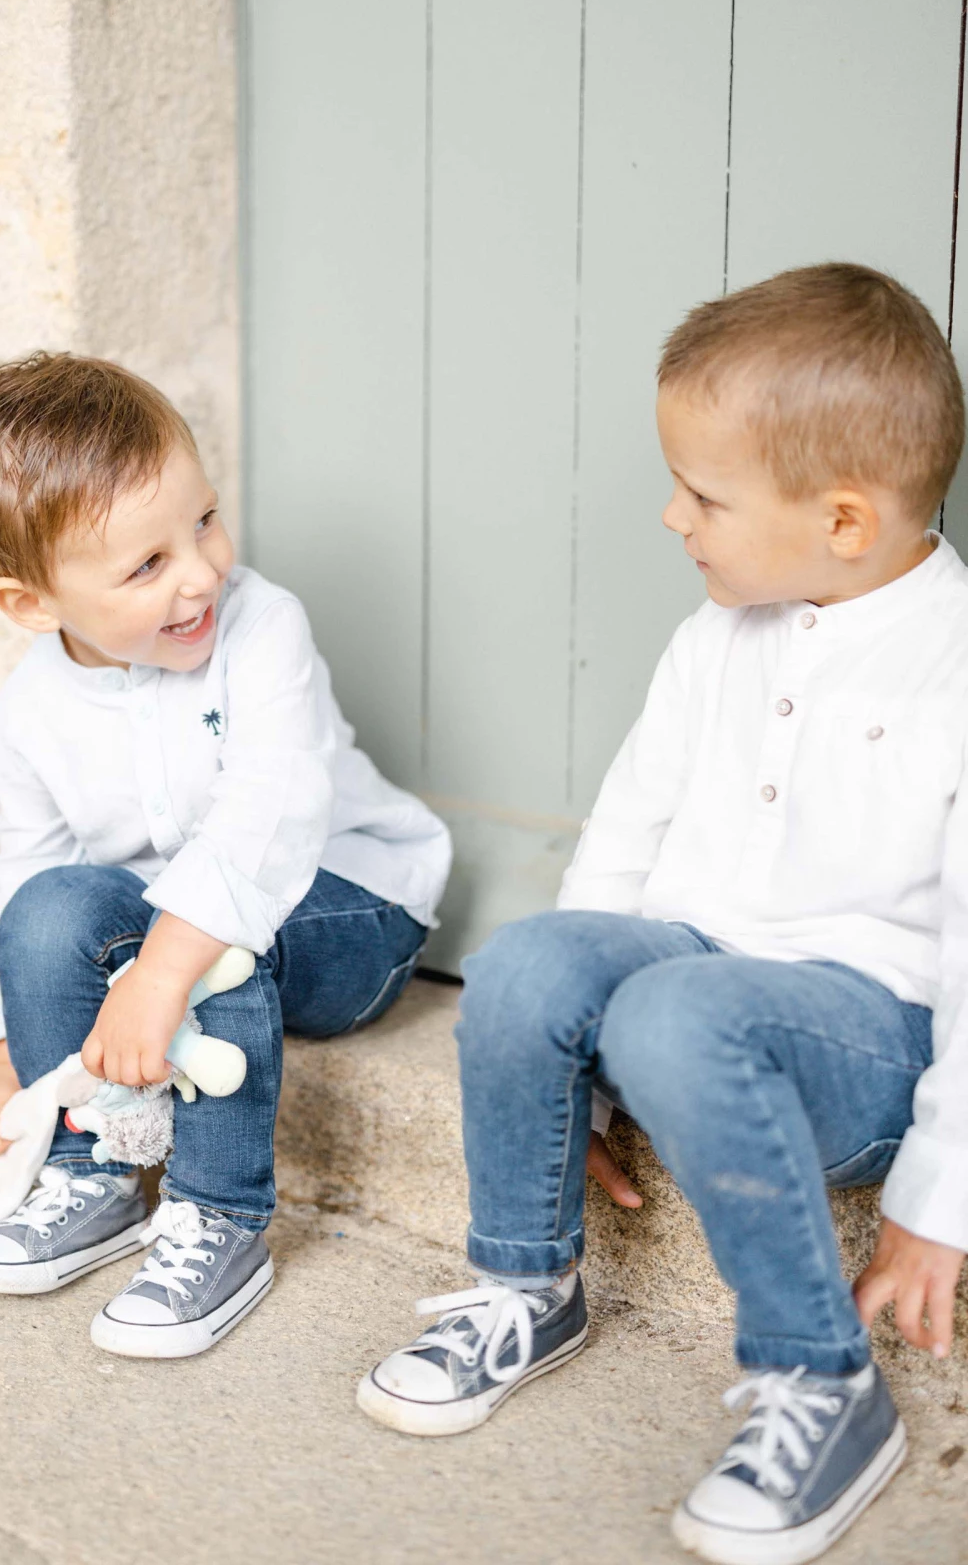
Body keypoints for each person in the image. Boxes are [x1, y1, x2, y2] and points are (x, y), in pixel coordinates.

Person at [359, 264, 968, 1565]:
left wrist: (938, 1201)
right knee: (528, 963)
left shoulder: (949, 669)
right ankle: (527, 1284)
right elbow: (628, 831)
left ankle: (824, 1384)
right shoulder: (718, 635)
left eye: (704, 495)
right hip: (690, 979)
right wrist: (563, 1060)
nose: (670, 515)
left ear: (845, 519)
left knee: (681, 1009)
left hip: (860, 1041)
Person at [0, 352, 452, 1358]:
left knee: (216, 937)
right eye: (146, 566)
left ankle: (217, 1216)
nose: (202, 572)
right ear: (31, 604)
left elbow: (272, 810)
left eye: (205, 521)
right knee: (46, 908)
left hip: (348, 906)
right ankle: (89, 1175)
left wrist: (162, 969)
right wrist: (6, 1059)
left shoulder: (262, 625)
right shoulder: (31, 709)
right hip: (169, 918)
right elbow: (26, 871)